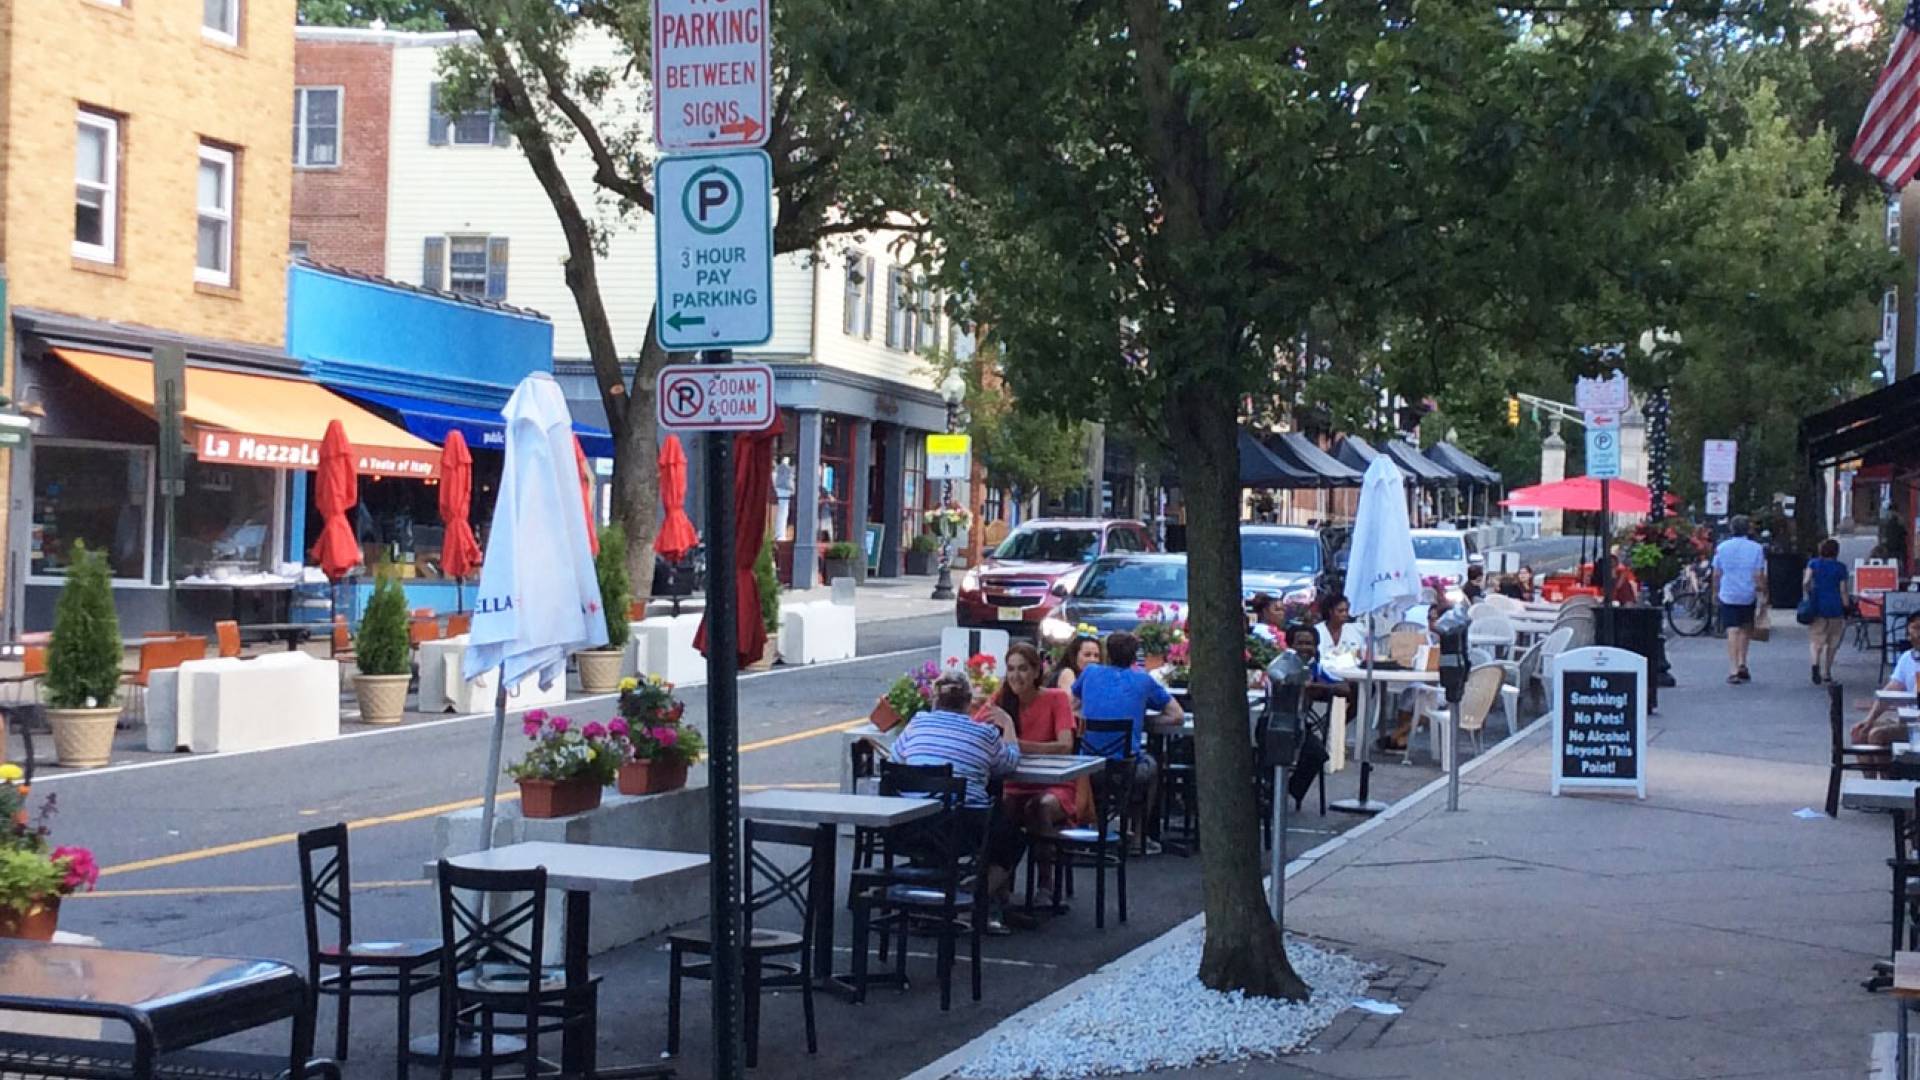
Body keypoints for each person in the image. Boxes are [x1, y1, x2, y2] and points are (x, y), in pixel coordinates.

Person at [889, 670, 1027, 929]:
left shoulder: (917, 723)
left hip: (910, 825)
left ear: (934, 701)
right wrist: (1008, 725)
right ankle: (975, 895)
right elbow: (1009, 764)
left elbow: (895, 760)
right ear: (968, 703)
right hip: (962, 829)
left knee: (979, 826)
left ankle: (938, 896)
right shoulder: (984, 733)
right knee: (1012, 839)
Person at [979, 643, 1080, 904]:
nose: (1016, 676)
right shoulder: (1002, 699)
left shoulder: (1056, 698)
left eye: (1023, 669)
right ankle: (1000, 889)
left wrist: (1017, 744)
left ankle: (1045, 884)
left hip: (1054, 785)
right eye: (1011, 669)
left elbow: (1065, 745)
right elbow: (974, 729)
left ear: (1036, 671)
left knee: (1040, 807)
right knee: (1001, 811)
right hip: (1014, 785)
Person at [1072, 631, 1183, 854]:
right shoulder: (1143, 680)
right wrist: (1142, 721)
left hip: (1088, 767)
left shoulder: (1090, 673)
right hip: (1125, 768)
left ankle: (1093, 829)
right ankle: (1138, 835)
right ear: (1134, 656)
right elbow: (1176, 715)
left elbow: (1072, 705)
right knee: (1151, 767)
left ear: (1107, 654)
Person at [1711, 514, 1769, 684]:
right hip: (1747, 593)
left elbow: (1717, 573)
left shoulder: (1722, 548)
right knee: (1745, 629)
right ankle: (1743, 661)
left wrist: (1715, 591)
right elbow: (1758, 574)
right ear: (1748, 529)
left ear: (1731, 529)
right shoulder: (1756, 548)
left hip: (1728, 593)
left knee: (1732, 630)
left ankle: (1733, 668)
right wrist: (1763, 592)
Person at [1803, 537, 1851, 685]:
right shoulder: (1840, 568)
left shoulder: (1813, 563)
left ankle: (1815, 664)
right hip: (1835, 607)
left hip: (1818, 606)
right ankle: (1827, 672)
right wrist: (1847, 607)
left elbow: (1806, 582)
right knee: (1833, 641)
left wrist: (1809, 593)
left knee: (1816, 639)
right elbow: (1843, 590)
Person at [1313, 592, 1368, 658]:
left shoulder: (1356, 629)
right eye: (1340, 611)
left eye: (1346, 610)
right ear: (1330, 611)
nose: (1344, 614)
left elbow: (1361, 655)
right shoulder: (1317, 630)